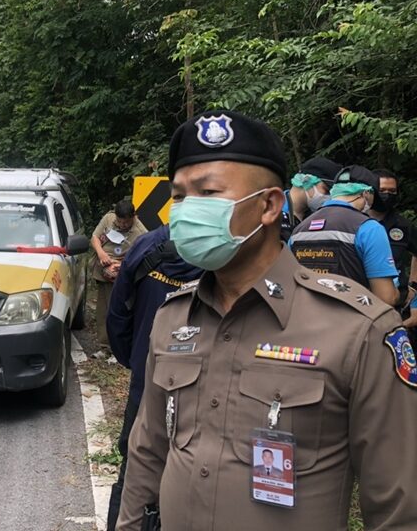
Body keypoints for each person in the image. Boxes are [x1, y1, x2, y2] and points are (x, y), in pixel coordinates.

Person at [117, 109, 417, 531]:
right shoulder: (172, 318)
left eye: (207, 192)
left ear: (269, 205)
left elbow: (398, 508)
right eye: (180, 196)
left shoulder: (359, 330)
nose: (184, 212)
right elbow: (148, 452)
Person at [105, 224, 202, 531]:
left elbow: (118, 313)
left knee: (135, 465)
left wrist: (134, 358)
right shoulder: (228, 250)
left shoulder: (146, 246)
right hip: (206, 381)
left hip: (149, 376)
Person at [290, 165, 399, 305]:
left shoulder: (299, 229)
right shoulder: (369, 228)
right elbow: (386, 298)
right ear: (366, 194)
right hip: (353, 323)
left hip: (307, 319)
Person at [91, 199, 148, 355]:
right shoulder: (109, 219)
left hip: (122, 274)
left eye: (126, 223)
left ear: (134, 217)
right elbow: (95, 237)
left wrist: (123, 266)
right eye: (120, 222)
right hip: (103, 271)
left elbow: (146, 255)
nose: (122, 225)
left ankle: (119, 349)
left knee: (117, 311)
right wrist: (101, 254)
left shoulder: (141, 232)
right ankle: (105, 346)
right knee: (103, 310)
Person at [369, 169, 417, 309]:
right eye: (382, 190)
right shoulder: (353, 222)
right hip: (362, 300)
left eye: (392, 191)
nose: (387, 195)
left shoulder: (403, 225)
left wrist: (413, 286)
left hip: (395, 303)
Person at [280, 157, 341, 240]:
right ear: (306, 181)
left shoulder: (318, 217)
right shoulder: (274, 213)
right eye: (326, 190)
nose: (329, 197)